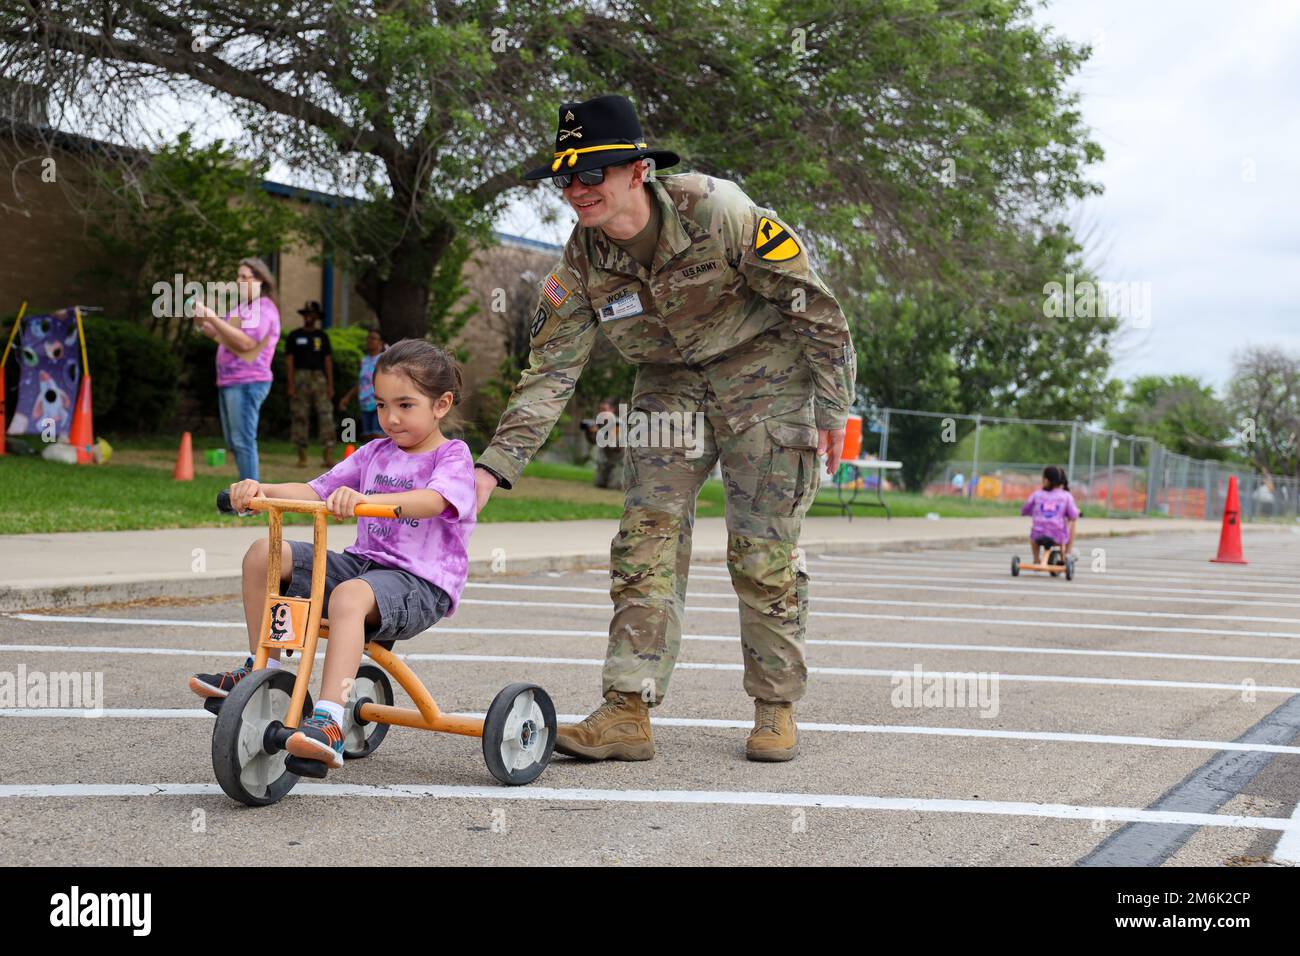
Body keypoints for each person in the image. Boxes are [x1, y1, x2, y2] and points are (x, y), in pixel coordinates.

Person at [473, 94, 856, 763]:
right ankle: (627, 708)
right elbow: (550, 373)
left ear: (637, 171)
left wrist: (832, 409)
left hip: (762, 375)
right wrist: (491, 470)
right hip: (666, 387)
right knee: (646, 536)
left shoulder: (720, 212)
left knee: (763, 550)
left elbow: (814, 307)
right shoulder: (582, 266)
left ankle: (774, 705)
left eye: (592, 174)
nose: (577, 191)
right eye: (566, 178)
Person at [187, 340, 477, 767]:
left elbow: (436, 501)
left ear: (441, 404)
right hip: (362, 565)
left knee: (349, 597)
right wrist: (259, 490)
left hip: (420, 584)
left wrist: (365, 500)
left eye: (405, 405)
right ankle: (260, 671)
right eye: (381, 405)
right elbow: (313, 490)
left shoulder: (452, 456)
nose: (391, 418)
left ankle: (329, 721)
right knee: (263, 553)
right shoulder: (375, 452)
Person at [192, 258, 280, 481]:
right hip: (232, 381)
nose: (238, 281)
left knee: (243, 441)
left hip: (248, 381)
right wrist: (201, 320)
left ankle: (250, 501)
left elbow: (246, 344)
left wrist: (212, 316)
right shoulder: (243, 308)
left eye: (245, 277)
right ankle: (247, 497)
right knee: (235, 441)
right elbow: (221, 335)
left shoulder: (263, 308)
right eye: (238, 276)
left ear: (260, 280)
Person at [285, 300, 336, 468]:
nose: (308, 317)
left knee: (325, 414)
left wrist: (330, 385)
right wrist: (291, 383)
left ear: (316, 317)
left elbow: (328, 361)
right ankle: (302, 456)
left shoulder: (322, 336)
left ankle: (327, 455)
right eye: (306, 314)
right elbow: (289, 361)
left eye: (311, 314)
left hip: (319, 378)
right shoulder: (294, 335)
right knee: (300, 415)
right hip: (300, 377)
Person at [1021, 465, 1079, 564]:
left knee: (1034, 528)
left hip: (1038, 537)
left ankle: (1036, 558)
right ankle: (1067, 554)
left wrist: (1035, 513)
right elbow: (1073, 515)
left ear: (1046, 480)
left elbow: (1025, 510)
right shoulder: (1066, 496)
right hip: (1058, 536)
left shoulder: (1037, 494)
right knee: (1072, 521)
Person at [338, 328, 386, 444]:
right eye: (368, 338)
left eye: (373, 338)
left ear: (380, 342)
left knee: (377, 435)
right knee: (367, 437)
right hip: (365, 403)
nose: (369, 341)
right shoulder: (364, 360)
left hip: (379, 403)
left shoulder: (383, 360)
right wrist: (347, 398)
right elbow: (361, 383)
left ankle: (383, 461)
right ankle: (369, 462)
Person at [584, 397, 624, 490]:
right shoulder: (599, 422)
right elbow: (593, 442)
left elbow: (617, 447)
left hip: (619, 462)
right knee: (599, 485)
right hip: (604, 461)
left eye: (604, 410)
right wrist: (589, 432)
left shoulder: (618, 424)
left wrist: (599, 433)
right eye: (600, 410)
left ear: (612, 410)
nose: (601, 412)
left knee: (613, 487)